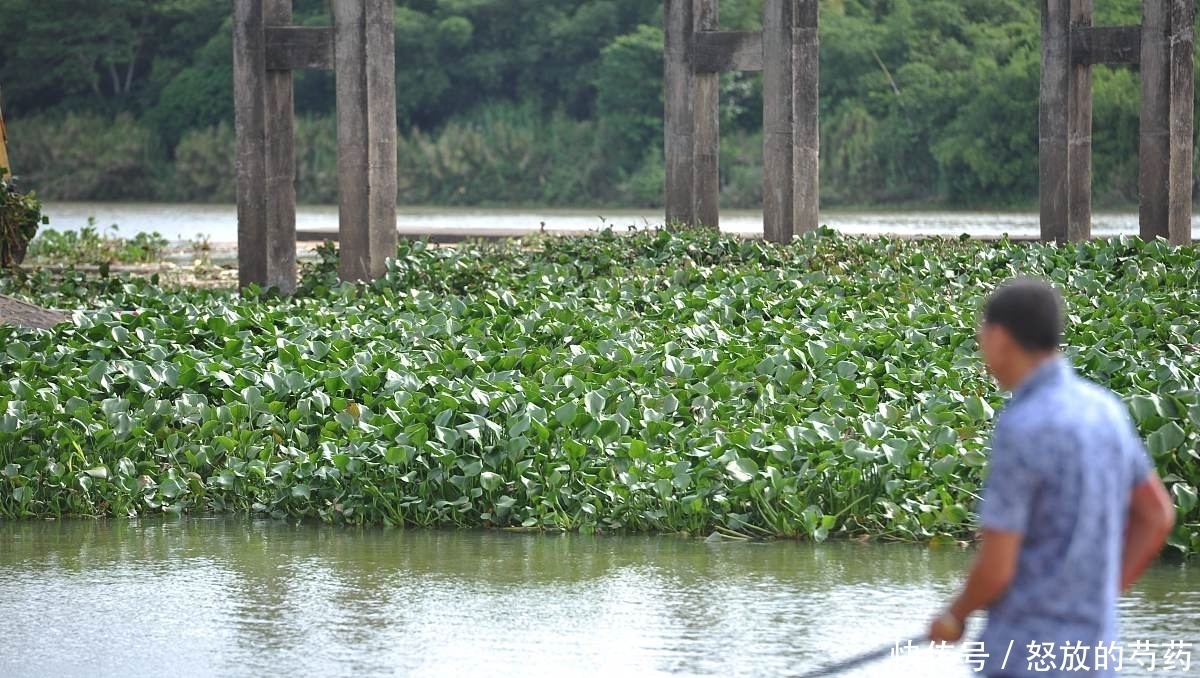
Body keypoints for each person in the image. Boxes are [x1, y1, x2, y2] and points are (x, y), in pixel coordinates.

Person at [927, 277, 1177, 677]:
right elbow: (1157, 516)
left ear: (999, 337)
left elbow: (997, 568)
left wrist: (955, 615)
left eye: (981, 336)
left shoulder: (1022, 426)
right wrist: (1102, 597)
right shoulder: (1105, 410)